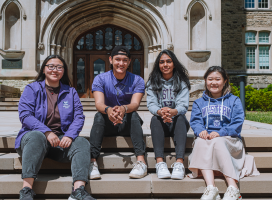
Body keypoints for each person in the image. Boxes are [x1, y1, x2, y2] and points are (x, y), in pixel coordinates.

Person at [16, 55, 96, 200]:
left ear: (64, 71)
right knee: (36, 136)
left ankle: (78, 191)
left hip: (60, 142)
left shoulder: (70, 92)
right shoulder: (32, 89)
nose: (55, 70)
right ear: (44, 69)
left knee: (82, 142)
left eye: (59, 67)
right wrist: (46, 131)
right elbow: (25, 115)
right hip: (33, 141)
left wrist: (70, 135)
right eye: (51, 66)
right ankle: (26, 190)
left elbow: (79, 117)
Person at [189, 66, 260, 200]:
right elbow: (196, 121)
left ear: (225, 81)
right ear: (205, 80)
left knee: (217, 141)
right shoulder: (199, 103)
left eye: (217, 79)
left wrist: (220, 132)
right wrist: (201, 131)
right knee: (200, 141)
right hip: (207, 140)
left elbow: (237, 122)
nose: (213, 82)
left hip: (229, 140)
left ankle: (233, 188)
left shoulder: (234, 101)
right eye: (210, 79)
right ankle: (211, 188)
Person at [89, 46, 146, 179]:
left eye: (125, 60)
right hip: (107, 123)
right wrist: (108, 110)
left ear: (129, 62)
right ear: (110, 60)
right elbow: (99, 103)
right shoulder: (100, 79)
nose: (121, 63)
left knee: (134, 116)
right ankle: (92, 162)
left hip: (126, 123)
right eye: (118, 59)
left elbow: (135, 104)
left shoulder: (137, 80)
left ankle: (141, 161)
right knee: (99, 116)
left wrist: (123, 108)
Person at [146, 49, 190, 179]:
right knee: (155, 119)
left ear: (174, 64)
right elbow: (151, 104)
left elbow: (183, 105)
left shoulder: (182, 82)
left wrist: (173, 112)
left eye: (168, 61)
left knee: (181, 118)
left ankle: (179, 163)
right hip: (161, 122)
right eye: (162, 62)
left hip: (177, 123)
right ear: (158, 65)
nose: (165, 65)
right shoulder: (152, 83)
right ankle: (160, 163)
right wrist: (161, 112)